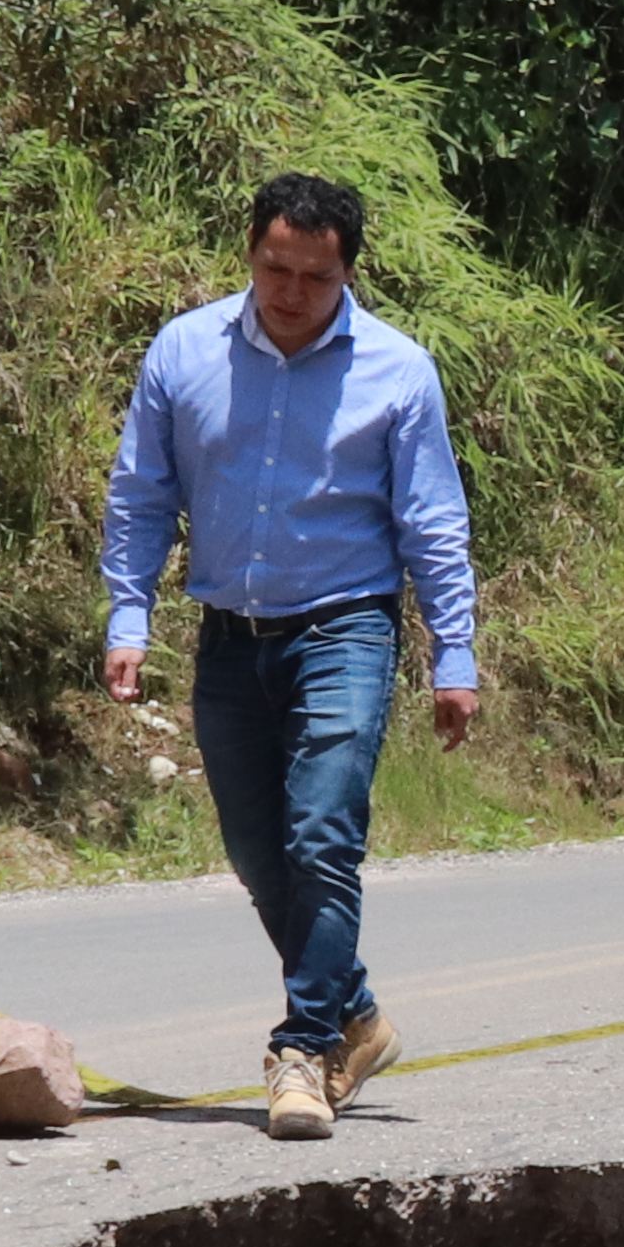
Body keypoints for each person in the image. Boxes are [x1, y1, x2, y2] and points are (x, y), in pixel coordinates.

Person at [100, 171, 484, 1146]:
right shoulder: (184, 353)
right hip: (230, 633)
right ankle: (358, 1014)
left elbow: (432, 523)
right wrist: (128, 617)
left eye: (314, 276)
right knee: (256, 851)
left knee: (321, 837)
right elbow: (143, 494)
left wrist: (455, 653)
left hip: (347, 626)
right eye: (275, 267)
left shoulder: (398, 371)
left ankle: (304, 1048)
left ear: (347, 272)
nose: (290, 291)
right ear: (250, 254)